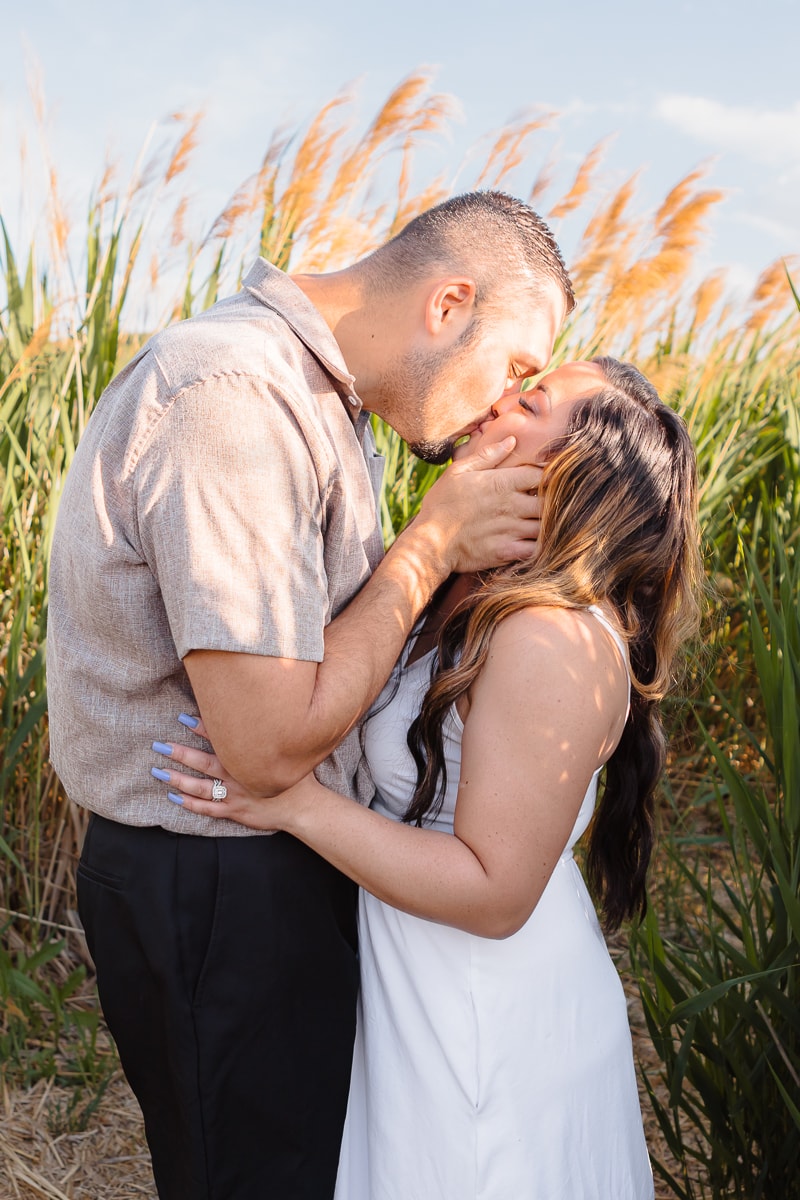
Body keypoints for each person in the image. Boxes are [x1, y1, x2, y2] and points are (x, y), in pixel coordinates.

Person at [46, 190, 575, 1200]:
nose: (500, 407)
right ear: (448, 302)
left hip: (265, 874)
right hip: (215, 885)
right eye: (511, 366)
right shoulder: (232, 398)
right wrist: (432, 544)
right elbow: (263, 748)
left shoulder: (322, 402)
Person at [154, 356, 703, 1200]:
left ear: (572, 474)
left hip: (484, 1014)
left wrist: (292, 803)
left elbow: (496, 892)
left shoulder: (550, 637)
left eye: (530, 402)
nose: (494, 403)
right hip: (414, 982)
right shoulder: (462, 586)